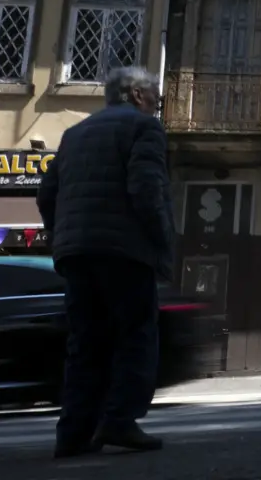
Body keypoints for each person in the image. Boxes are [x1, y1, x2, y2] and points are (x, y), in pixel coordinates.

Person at [36, 67, 174, 458]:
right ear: (135, 95)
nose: (157, 105)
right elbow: (147, 190)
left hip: (76, 254)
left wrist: (63, 235)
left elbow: (47, 194)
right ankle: (120, 419)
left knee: (85, 343)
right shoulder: (144, 129)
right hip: (124, 251)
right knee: (136, 335)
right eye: (154, 98)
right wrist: (162, 241)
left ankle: (74, 433)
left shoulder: (74, 134)